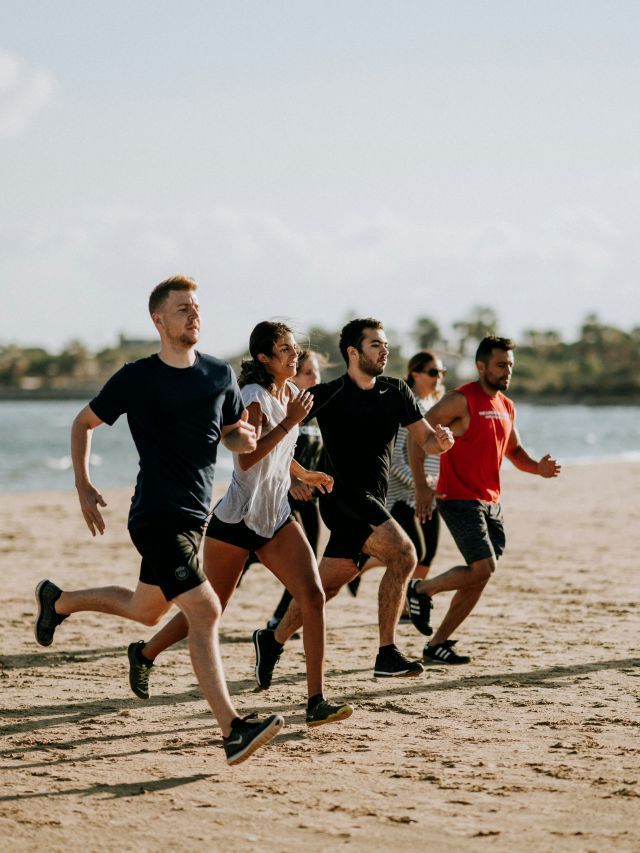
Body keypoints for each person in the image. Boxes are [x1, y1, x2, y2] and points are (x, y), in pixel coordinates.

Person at [34, 275, 284, 766]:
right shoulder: (137, 376)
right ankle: (232, 729)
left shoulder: (218, 374)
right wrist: (83, 484)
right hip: (155, 516)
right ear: (159, 320)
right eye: (183, 309)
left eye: (197, 307)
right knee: (206, 610)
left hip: (195, 517)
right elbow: (83, 423)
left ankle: (57, 600)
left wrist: (245, 440)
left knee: (146, 610)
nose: (194, 315)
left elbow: (233, 433)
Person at [129, 322, 353, 728]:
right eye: (284, 350)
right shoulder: (252, 398)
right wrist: (290, 422)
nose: (294, 355)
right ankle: (145, 653)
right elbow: (247, 458)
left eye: (294, 348)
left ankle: (316, 700)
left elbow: (279, 453)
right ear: (265, 359)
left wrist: (304, 475)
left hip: (275, 518)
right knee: (210, 608)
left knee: (313, 596)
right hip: (235, 521)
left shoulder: (290, 396)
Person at [252, 318, 455, 685]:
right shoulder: (328, 393)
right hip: (342, 496)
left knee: (324, 589)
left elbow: (425, 440)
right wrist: (295, 477)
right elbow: (278, 435)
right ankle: (386, 652)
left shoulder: (396, 392)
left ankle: (272, 639)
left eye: (384, 344)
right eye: (375, 344)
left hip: (372, 497)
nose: (384, 350)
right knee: (405, 554)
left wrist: (441, 441)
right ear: (353, 352)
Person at [405, 336, 562, 664]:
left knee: (480, 574)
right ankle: (421, 590)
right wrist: (421, 486)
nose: (507, 372)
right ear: (481, 366)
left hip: (491, 501)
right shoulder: (460, 400)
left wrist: (539, 469)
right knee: (483, 567)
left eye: (510, 366)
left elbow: (514, 452)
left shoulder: (506, 405)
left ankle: (437, 644)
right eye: (500, 365)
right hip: (458, 497)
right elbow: (416, 436)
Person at [359, 351, 447, 611]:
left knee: (428, 552)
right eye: (433, 372)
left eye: (442, 373)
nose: (438, 378)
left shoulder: (437, 406)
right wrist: (420, 484)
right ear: (415, 374)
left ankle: (412, 602)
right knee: (412, 551)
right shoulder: (409, 408)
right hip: (401, 495)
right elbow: (395, 461)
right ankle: (362, 565)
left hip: (430, 493)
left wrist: (437, 485)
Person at [266, 349, 326, 630]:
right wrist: (292, 482)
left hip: (309, 502)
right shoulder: (285, 411)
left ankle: (280, 616)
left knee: (306, 563)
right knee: (245, 561)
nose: (316, 378)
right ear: (294, 377)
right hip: (282, 499)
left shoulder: (316, 413)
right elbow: (270, 452)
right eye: (308, 373)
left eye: (318, 372)